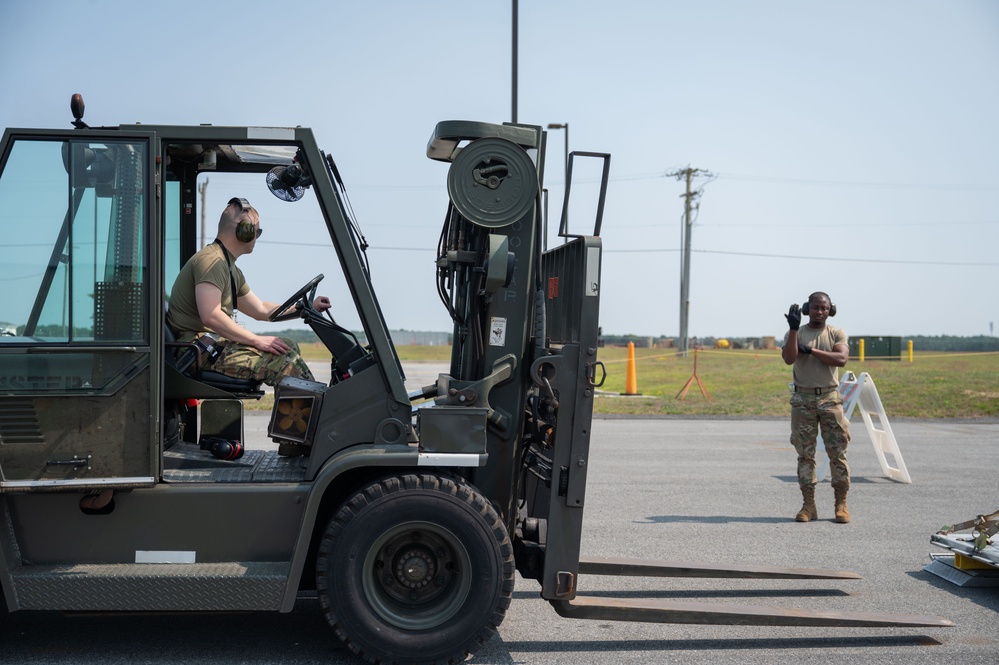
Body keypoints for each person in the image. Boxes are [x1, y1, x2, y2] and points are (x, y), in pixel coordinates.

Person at [167, 197, 331, 387]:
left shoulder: (228, 267)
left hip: (207, 346)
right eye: (257, 231)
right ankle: (309, 414)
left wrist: (305, 308)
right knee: (284, 362)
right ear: (244, 231)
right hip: (195, 351)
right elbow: (211, 316)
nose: (257, 237)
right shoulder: (212, 262)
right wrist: (257, 340)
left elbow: (261, 309)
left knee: (287, 346)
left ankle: (299, 413)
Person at [781, 292, 852, 524]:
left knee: (837, 455)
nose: (819, 312)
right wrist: (793, 329)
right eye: (814, 308)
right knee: (805, 455)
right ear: (806, 309)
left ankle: (840, 505)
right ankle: (808, 506)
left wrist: (810, 351)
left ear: (830, 310)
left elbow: (841, 359)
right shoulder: (798, 333)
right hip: (803, 399)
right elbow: (789, 358)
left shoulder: (836, 333)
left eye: (824, 308)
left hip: (830, 398)